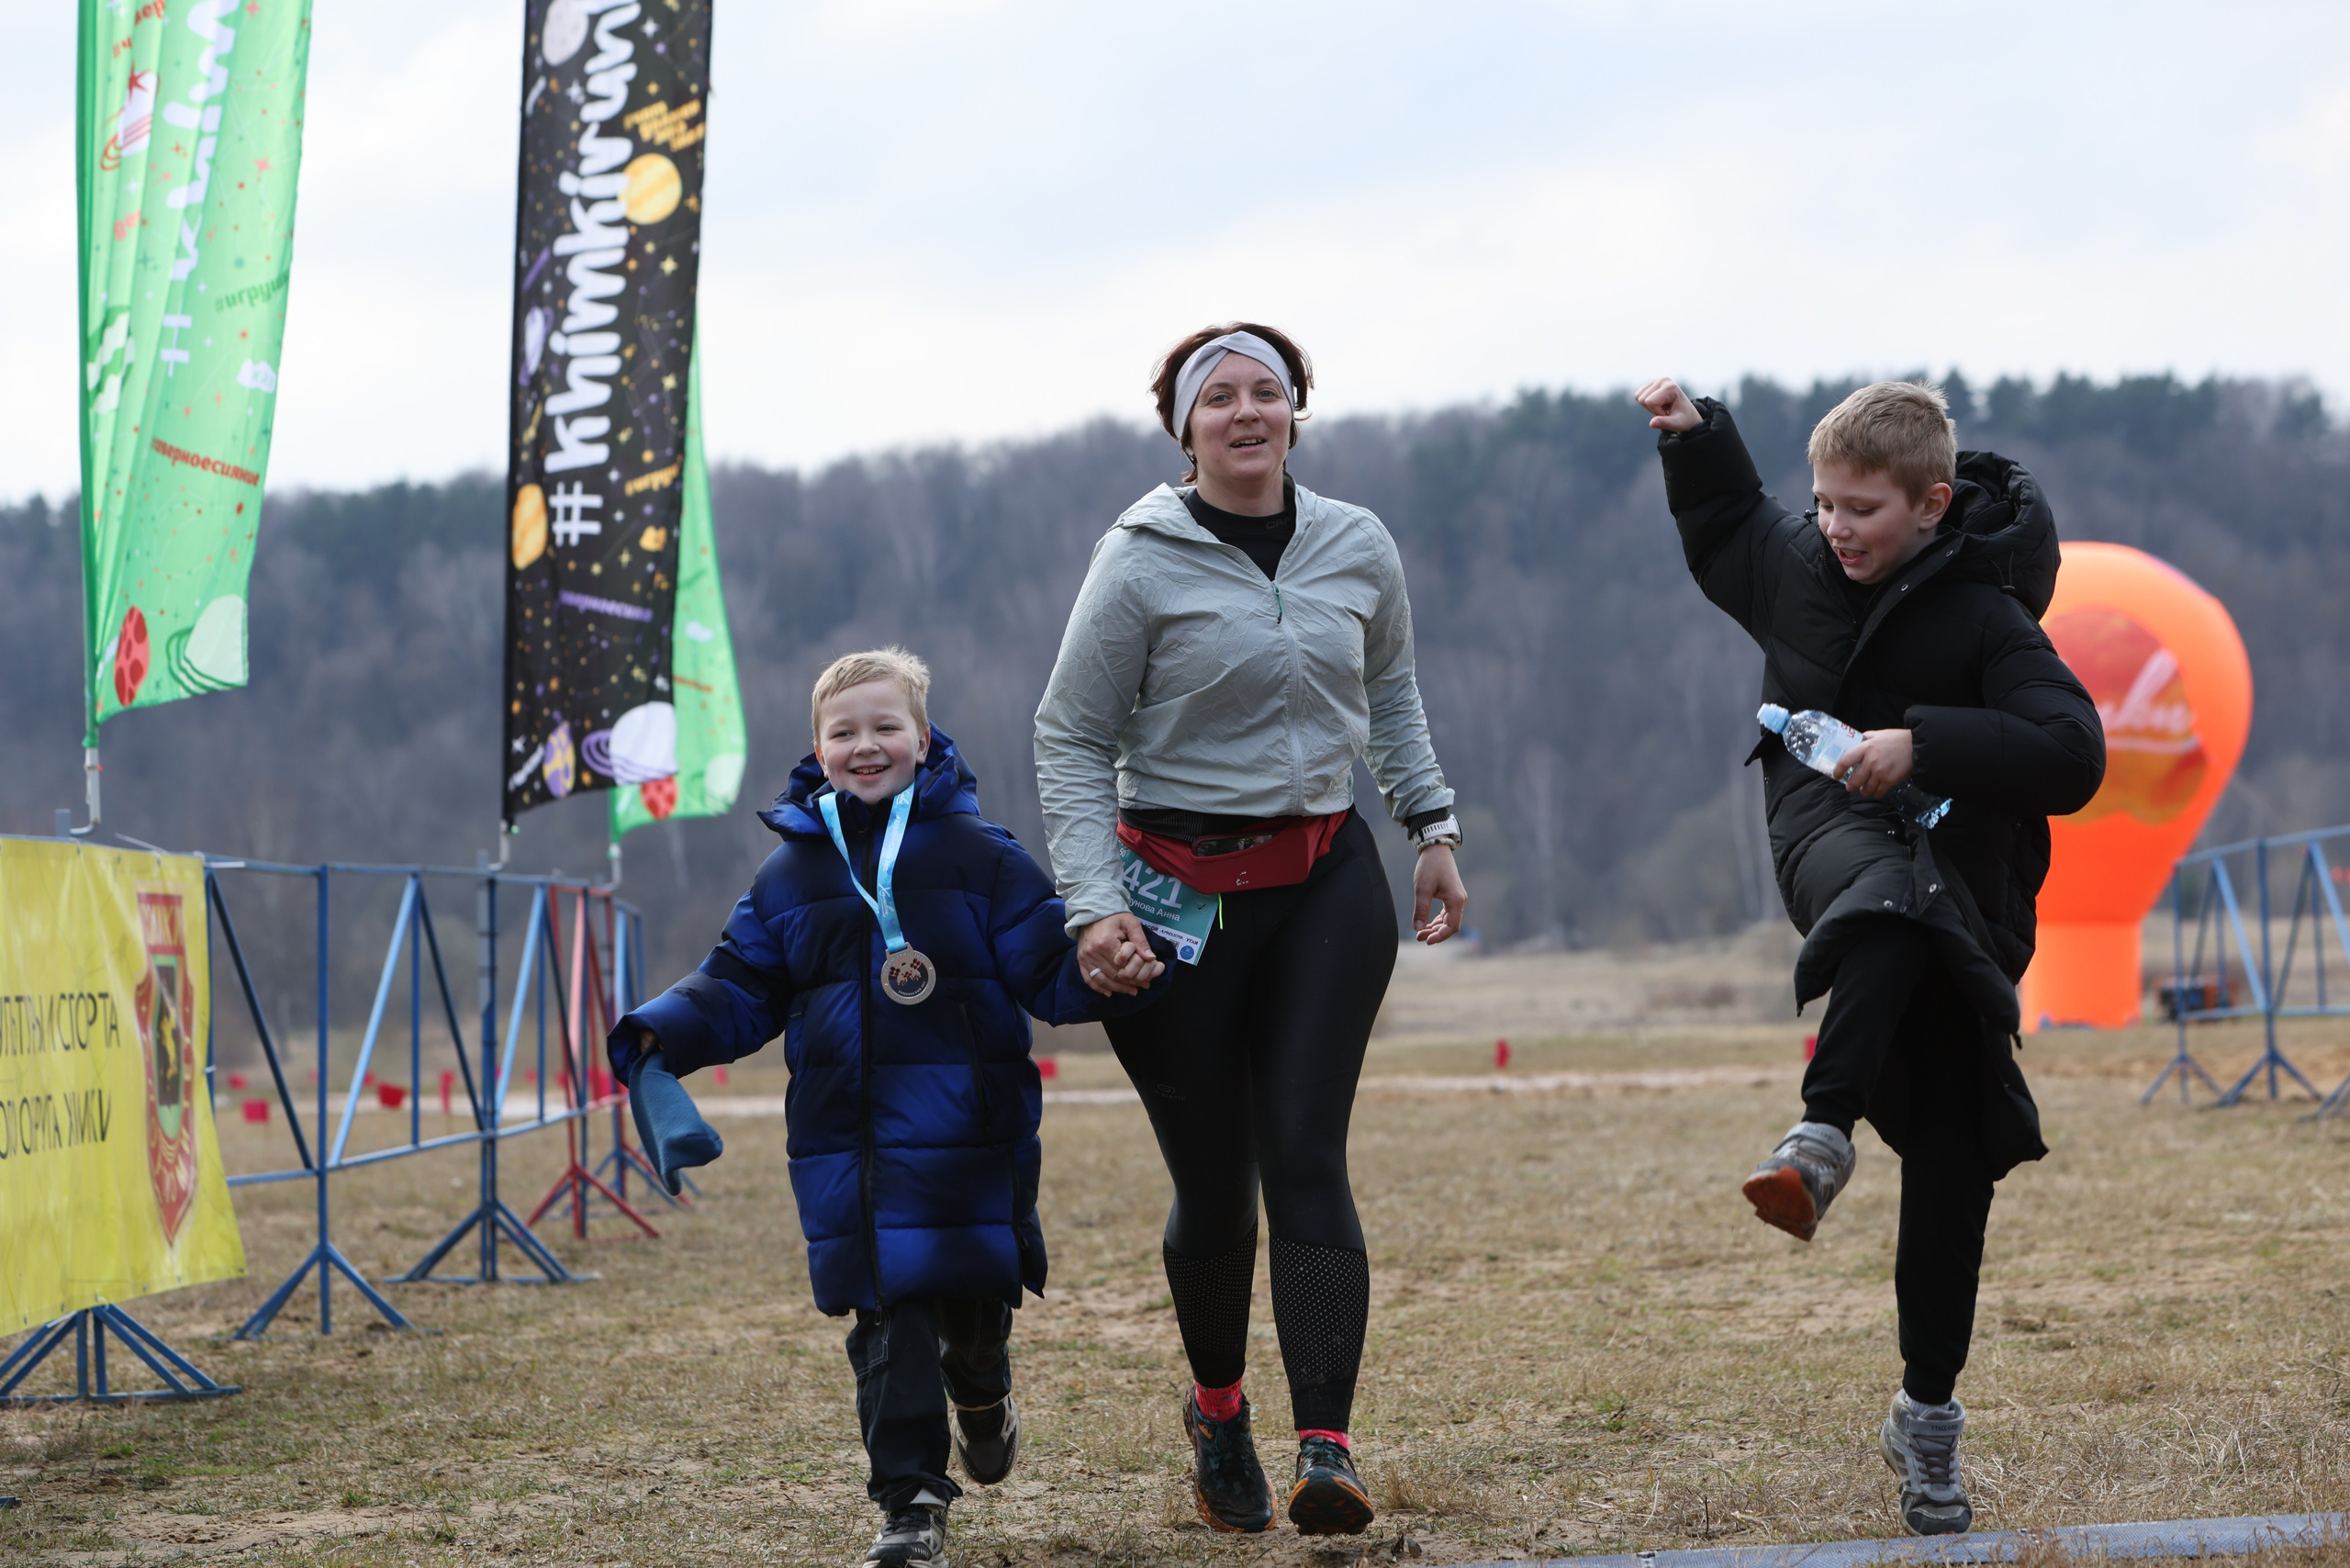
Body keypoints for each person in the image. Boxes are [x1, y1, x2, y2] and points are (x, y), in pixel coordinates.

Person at [1632, 376, 2105, 1536]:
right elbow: (1727, 522)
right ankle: (1821, 1135)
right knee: (1886, 898)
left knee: (1956, 1156)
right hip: (1825, 834)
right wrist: (1696, 439)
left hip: (1973, 884)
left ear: (1933, 503)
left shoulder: (1990, 618)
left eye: (1864, 510)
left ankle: (1927, 1422)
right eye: (1826, 503)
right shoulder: (1796, 562)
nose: (1836, 528)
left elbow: (2073, 752)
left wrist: (1924, 742)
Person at [1034, 323, 1467, 1538]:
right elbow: (1067, 737)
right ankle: (1219, 1407)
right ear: (1184, 428)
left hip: (1327, 876)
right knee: (1217, 1187)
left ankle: (1325, 1445)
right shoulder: (1138, 561)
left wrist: (1431, 827)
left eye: (1265, 392)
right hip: (1171, 897)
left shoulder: (1355, 543)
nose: (1244, 412)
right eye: (1216, 397)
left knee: (1307, 1153)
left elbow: (1389, 693)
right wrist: (1093, 907)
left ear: (1296, 412)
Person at [609, 647, 1167, 1568]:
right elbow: (736, 984)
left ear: (922, 735)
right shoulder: (789, 876)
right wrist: (660, 1036)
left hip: (968, 1140)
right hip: (849, 1145)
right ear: (817, 747)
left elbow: (1046, 970)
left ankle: (982, 1388)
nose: (865, 745)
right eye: (843, 731)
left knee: (972, 1312)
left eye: (884, 727)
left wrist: (1119, 969)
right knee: (887, 1320)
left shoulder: (983, 857)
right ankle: (909, 1502)